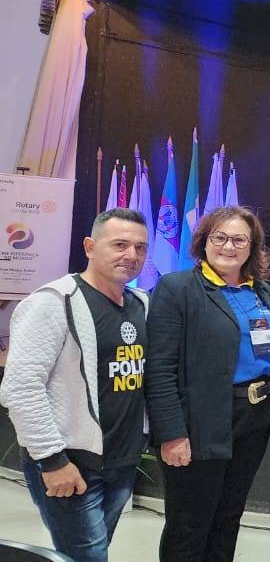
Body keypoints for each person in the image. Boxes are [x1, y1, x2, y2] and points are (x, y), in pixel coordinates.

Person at [0, 209, 150, 562]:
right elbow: (21, 388)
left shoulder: (141, 303)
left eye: (141, 247)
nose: (131, 255)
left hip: (122, 458)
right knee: (87, 556)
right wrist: (52, 461)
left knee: (92, 551)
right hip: (70, 463)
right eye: (120, 244)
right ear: (89, 246)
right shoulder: (51, 303)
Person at [146, 206, 270, 562]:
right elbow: (159, 369)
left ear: (253, 246)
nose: (229, 246)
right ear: (204, 242)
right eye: (219, 237)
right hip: (200, 423)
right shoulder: (178, 288)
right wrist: (171, 433)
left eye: (240, 239)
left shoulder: (261, 291)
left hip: (253, 419)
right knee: (190, 524)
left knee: (228, 518)